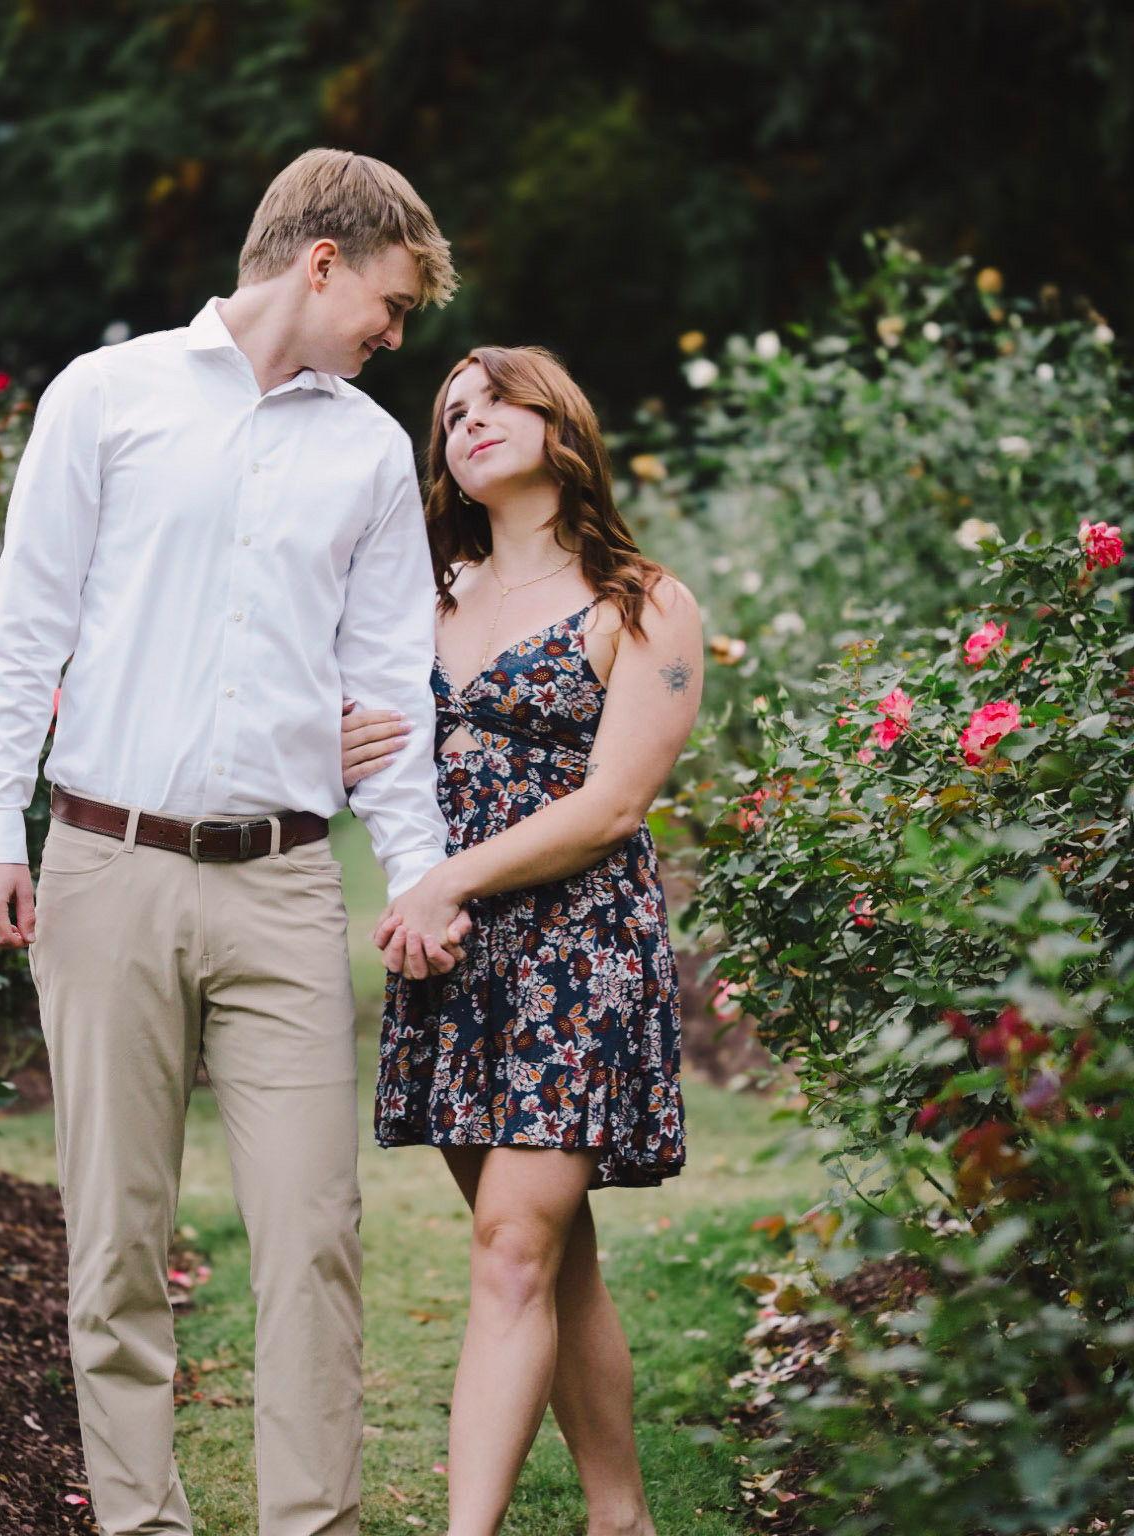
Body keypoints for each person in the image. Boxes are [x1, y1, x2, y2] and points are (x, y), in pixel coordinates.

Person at [0, 147, 472, 1536]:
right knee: (116, 1238)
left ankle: (313, 1524)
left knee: (314, 1235)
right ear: (321, 264)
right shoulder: (105, 397)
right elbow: (29, 628)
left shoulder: (366, 451)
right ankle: (144, 1522)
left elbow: (388, 698)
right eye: (391, 299)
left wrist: (414, 878)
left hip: (288, 886)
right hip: (106, 870)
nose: (394, 332)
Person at [342, 344, 703, 1536]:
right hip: (454, 963)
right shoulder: (422, 597)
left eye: (495, 399)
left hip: (576, 957)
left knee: (508, 1249)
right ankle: (621, 1517)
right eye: (450, 413)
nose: (470, 420)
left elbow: (612, 807)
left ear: (560, 423)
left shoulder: (643, 603)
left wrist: (451, 879)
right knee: (550, 1252)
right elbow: (372, 751)